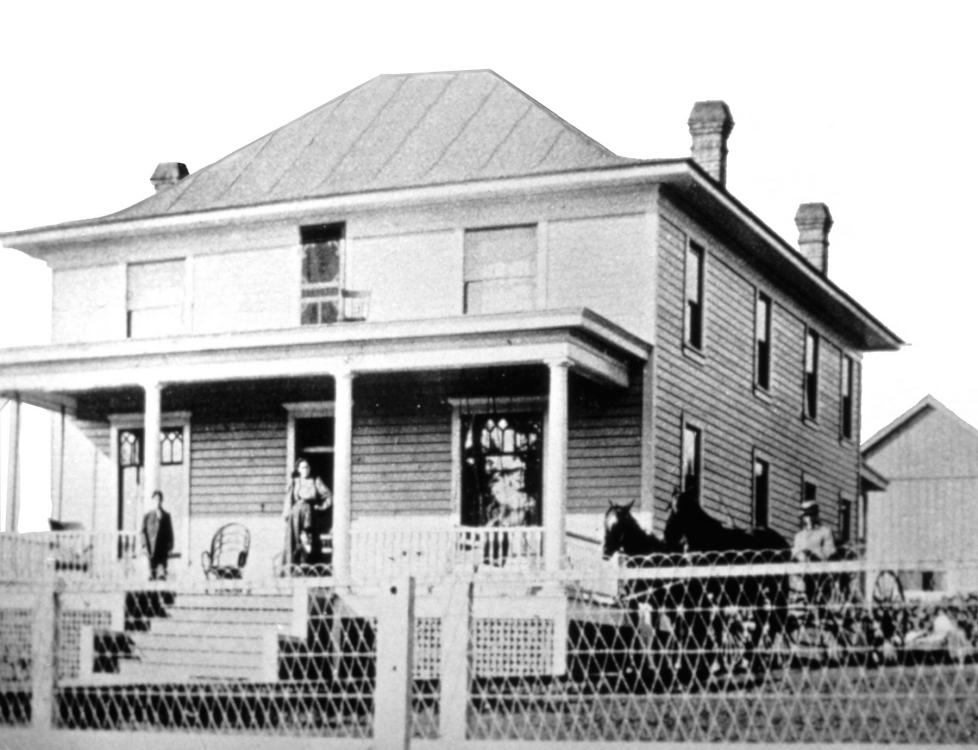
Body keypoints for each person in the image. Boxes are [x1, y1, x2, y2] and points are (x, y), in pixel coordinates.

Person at [283, 458, 333, 573]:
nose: (305, 470)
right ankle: (294, 570)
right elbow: (288, 499)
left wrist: (320, 507)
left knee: (309, 541)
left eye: (307, 467)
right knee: (294, 540)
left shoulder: (316, 480)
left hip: (310, 514)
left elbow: (328, 496)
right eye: (302, 467)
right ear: (298, 470)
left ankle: (309, 570)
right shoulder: (295, 481)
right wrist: (287, 515)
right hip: (296, 515)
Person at [142, 490, 174, 581]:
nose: (157, 501)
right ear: (152, 501)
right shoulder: (147, 516)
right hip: (150, 548)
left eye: (159, 499)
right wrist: (144, 545)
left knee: (161, 575)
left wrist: (170, 546)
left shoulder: (166, 516)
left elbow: (169, 532)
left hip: (162, 549)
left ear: (162, 501)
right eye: (155, 499)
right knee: (151, 574)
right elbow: (142, 531)